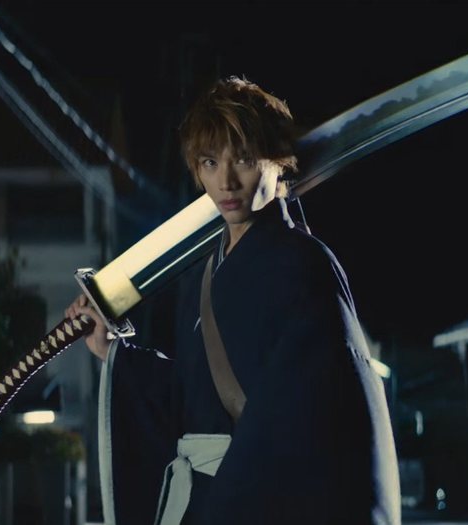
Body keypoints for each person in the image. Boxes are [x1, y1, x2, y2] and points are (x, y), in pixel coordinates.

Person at [67, 77, 399, 525]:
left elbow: (318, 411)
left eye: (242, 159)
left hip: (263, 503)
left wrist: (236, 492)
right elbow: (191, 400)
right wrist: (113, 352)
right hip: (205, 501)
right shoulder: (205, 272)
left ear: (275, 162)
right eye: (209, 162)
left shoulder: (304, 266)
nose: (225, 181)